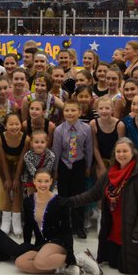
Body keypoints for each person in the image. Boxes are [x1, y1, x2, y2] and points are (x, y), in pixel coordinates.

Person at [66, 137, 138, 275]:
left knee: (126, 269)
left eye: (125, 151)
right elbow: (92, 194)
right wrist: (70, 201)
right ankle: (86, 257)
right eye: (118, 151)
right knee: (112, 263)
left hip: (132, 234)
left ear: (133, 153)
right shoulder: (109, 174)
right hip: (114, 233)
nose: (121, 154)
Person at [16, 169, 101, 275]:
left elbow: (66, 229)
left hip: (57, 242)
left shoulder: (59, 201)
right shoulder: (28, 201)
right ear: (34, 181)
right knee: (20, 262)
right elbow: (28, 227)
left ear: (51, 181)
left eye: (46, 181)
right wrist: (27, 245)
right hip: (40, 244)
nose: (43, 184)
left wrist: (70, 253)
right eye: (40, 181)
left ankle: (79, 258)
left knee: (39, 262)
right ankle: (61, 268)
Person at [52, 100, 93, 238]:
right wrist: (55, 170)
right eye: (67, 110)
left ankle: (78, 226)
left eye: (73, 110)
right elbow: (56, 151)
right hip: (64, 164)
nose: (70, 113)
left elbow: (89, 149)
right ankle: (64, 225)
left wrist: (88, 166)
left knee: (78, 196)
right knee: (63, 196)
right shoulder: (59, 130)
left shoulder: (86, 128)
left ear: (80, 112)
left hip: (79, 164)